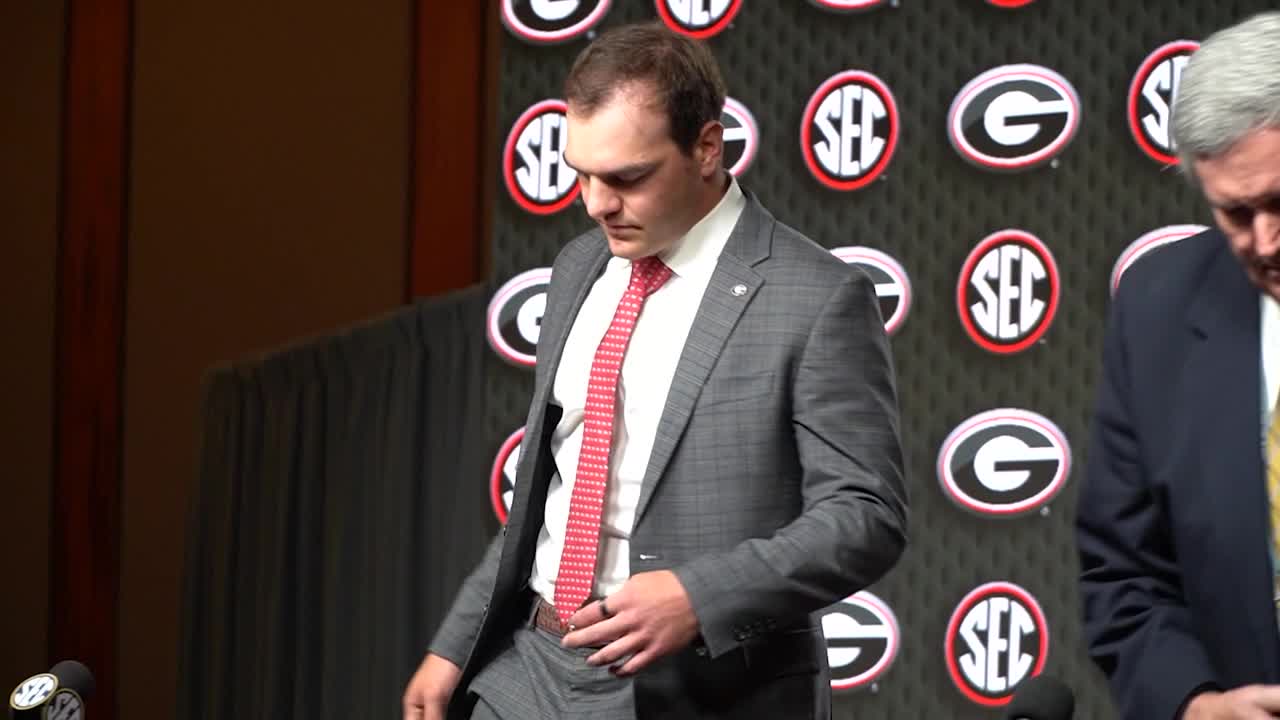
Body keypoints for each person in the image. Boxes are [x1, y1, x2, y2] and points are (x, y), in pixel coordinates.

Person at [402, 20, 908, 720]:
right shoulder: (578, 267)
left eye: (626, 178)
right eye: (582, 174)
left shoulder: (817, 297)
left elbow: (866, 516)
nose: (595, 203)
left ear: (706, 148)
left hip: (703, 691)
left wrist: (700, 597)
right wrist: (455, 646)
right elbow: (551, 492)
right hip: (531, 670)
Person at [1076, 10, 1280, 720]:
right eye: (1236, 213)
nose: (1266, 241)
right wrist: (1195, 705)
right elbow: (1124, 570)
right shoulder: (1157, 306)